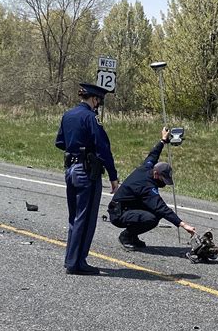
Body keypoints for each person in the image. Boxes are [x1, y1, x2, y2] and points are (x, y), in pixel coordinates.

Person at [55, 83, 119, 275]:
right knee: (86, 217)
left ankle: (70, 259)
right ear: (94, 99)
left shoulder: (68, 115)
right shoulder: (91, 118)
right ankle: (78, 263)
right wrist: (113, 176)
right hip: (86, 172)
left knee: (74, 217)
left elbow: (60, 142)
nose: (97, 105)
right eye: (98, 101)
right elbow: (103, 149)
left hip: (70, 169)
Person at [108, 128, 196, 248]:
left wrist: (163, 140)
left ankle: (133, 236)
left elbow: (153, 154)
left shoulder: (148, 166)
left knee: (156, 213)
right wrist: (183, 224)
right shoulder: (147, 187)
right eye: (162, 180)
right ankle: (127, 236)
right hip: (118, 213)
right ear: (156, 174)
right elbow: (162, 208)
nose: (164, 184)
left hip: (128, 206)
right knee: (151, 218)